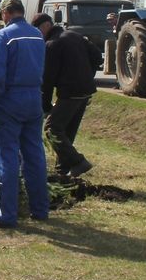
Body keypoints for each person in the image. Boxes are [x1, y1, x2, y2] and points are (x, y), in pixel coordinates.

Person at [0, 0, 48, 228]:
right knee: (35, 156)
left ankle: (7, 215)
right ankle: (40, 210)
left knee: (7, 157)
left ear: (6, 13)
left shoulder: (3, 37)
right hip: (33, 100)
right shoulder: (37, 35)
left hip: (9, 102)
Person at [38, 15, 101, 180]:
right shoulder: (74, 35)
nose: (38, 35)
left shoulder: (51, 45)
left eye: (38, 30)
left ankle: (78, 162)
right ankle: (62, 171)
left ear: (46, 26)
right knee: (67, 130)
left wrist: (45, 105)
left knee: (52, 129)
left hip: (70, 92)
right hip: (85, 90)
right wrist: (87, 75)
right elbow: (97, 56)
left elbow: (48, 79)